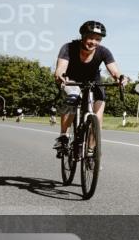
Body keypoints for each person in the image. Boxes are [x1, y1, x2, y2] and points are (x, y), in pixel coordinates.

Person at [52, 21, 127, 157]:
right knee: (72, 97)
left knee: (98, 115)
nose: (94, 42)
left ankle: (91, 150)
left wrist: (120, 78)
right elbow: (61, 67)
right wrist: (59, 75)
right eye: (90, 38)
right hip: (72, 80)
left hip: (94, 81)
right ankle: (63, 136)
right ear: (83, 36)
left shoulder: (103, 51)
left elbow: (114, 71)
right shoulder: (68, 48)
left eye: (98, 39)